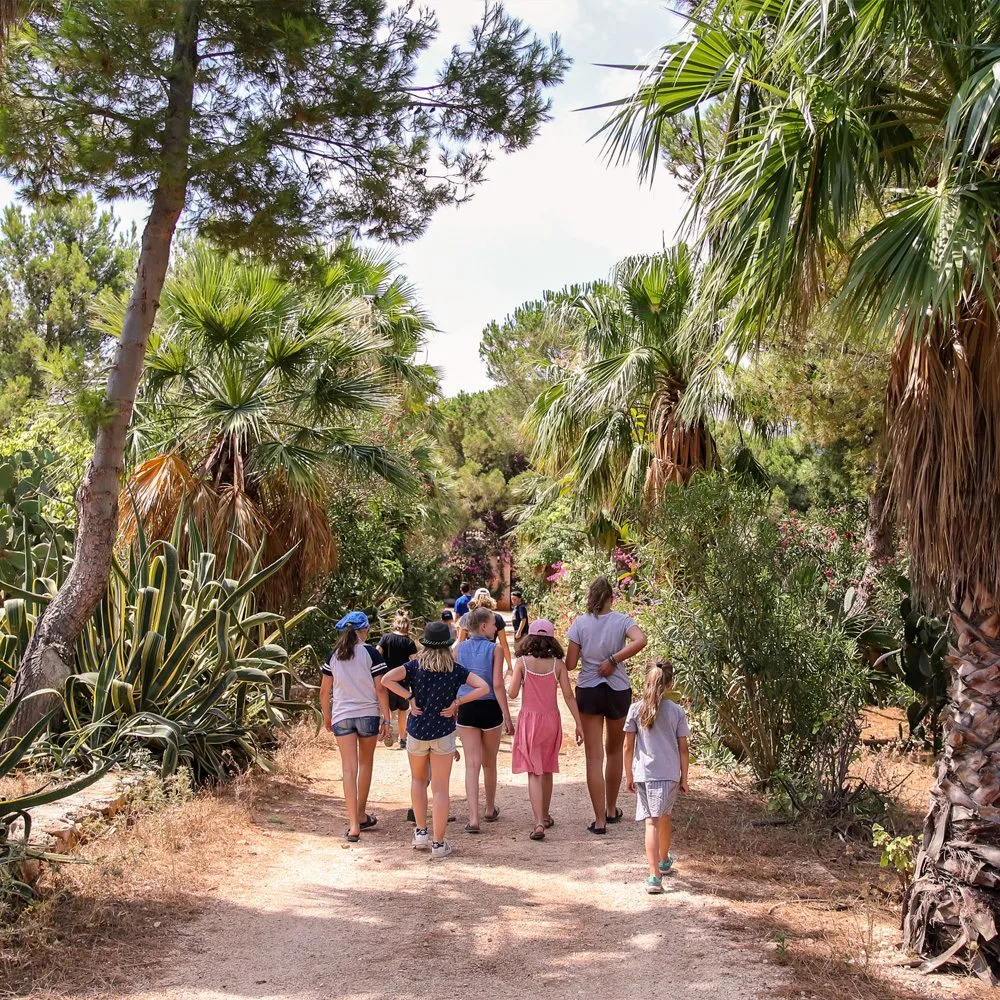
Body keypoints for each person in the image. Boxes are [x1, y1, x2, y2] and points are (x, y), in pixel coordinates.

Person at [381, 621, 489, 861]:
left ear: (425, 644)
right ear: (448, 645)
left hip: (417, 732)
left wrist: (409, 697)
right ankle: (439, 843)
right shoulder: (456, 669)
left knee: (418, 780)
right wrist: (458, 703)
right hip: (443, 732)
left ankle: (420, 833)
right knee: (441, 789)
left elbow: (386, 679)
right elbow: (483, 687)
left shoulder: (413, 667)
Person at [566, 576, 647, 834]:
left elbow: (569, 664)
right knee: (614, 752)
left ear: (590, 597)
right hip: (617, 690)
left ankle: (599, 821)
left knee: (593, 758)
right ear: (612, 598)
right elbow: (641, 640)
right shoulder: (622, 620)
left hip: (589, 690)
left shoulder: (579, 623)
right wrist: (614, 659)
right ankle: (612, 810)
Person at [508, 619, 584, 841]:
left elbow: (512, 694)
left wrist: (510, 681)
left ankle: (539, 821)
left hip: (529, 721)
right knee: (548, 767)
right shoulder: (557, 665)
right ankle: (547, 814)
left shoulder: (522, 663)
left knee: (534, 771)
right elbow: (569, 696)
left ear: (530, 638)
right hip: (551, 721)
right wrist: (578, 723)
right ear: (551, 640)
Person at [320, 611, 391, 843]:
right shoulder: (371, 654)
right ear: (364, 630)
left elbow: (324, 690)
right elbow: (381, 688)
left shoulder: (334, 655)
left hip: (342, 716)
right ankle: (361, 813)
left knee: (348, 769)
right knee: (365, 763)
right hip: (368, 713)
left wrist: (326, 715)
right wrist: (387, 717)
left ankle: (353, 826)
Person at [624, 660, 690, 894]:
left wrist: (628, 773)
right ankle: (663, 861)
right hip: (670, 774)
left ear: (645, 681)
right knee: (664, 816)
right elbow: (683, 748)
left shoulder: (635, 709)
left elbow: (627, 746)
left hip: (645, 774)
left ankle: (654, 876)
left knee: (650, 821)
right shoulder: (676, 711)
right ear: (670, 683)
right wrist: (684, 777)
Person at [456, 606, 514, 832]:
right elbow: (497, 684)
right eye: (493, 624)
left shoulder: (458, 649)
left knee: (472, 764)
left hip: (467, 707)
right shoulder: (495, 649)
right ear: (483, 627)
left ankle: (473, 818)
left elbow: (455, 681)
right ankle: (489, 808)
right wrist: (507, 716)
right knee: (489, 761)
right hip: (490, 708)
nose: (495, 627)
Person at [377, 610, 418, 750]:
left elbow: (376, 654)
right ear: (408, 626)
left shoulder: (385, 638)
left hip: (386, 680)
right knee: (402, 711)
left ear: (395, 624)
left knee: (387, 709)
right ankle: (402, 738)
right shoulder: (410, 643)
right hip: (402, 683)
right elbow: (414, 663)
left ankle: (387, 731)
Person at [457, 588, 512, 672]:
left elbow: (460, 642)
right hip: (490, 656)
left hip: (471, 657)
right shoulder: (496, 617)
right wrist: (510, 667)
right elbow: (504, 644)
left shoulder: (466, 616)